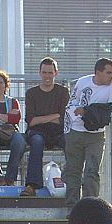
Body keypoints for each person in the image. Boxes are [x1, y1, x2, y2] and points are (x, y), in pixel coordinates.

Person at [64, 58, 112, 208]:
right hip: (74, 131)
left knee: (92, 171)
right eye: (108, 72)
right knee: (73, 171)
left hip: (96, 135)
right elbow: (71, 104)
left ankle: (89, 207)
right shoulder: (82, 82)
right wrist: (91, 111)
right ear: (98, 72)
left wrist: (86, 111)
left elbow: (109, 114)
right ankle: (72, 207)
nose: (111, 76)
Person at [21, 58, 69, 198]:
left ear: (55, 73)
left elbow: (63, 118)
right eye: (44, 72)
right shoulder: (31, 93)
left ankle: (72, 183)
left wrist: (41, 118)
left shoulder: (63, 92)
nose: (47, 76)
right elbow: (31, 120)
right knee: (36, 143)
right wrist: (54, 116)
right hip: (38, 132)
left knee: (71, 144)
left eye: (50, 72)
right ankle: (32, 186)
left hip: (58, 132)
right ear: (39, 73)